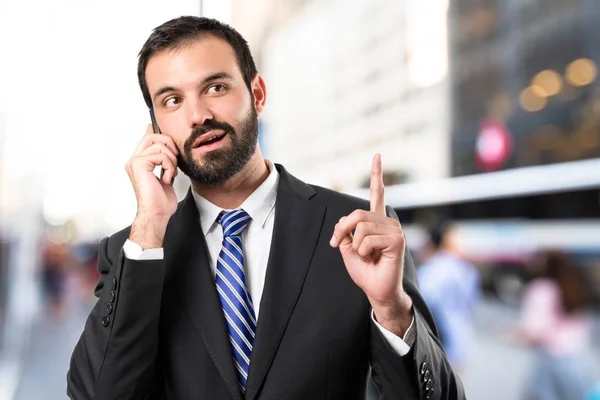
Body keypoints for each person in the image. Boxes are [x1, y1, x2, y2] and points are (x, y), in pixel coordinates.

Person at [67, 16, 464, 400]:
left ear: (257, 94)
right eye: (172, 100)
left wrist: (391, 309)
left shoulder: (357, 231)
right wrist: (150, 224)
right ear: (155, 127)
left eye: (216, 88)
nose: (198, 115)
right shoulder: (135, 252)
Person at [511, 250, 598, 400]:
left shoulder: (541, 289)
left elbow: (536, 331)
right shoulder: (573, 285)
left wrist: (513, 334)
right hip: (580, 359)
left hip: (552, 361)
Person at [417, 224, 480, 376]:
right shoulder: (467, 269)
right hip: (462, 343)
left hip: (438, 349)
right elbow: (472, 305)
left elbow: (423, 308)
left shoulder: (430, 270)